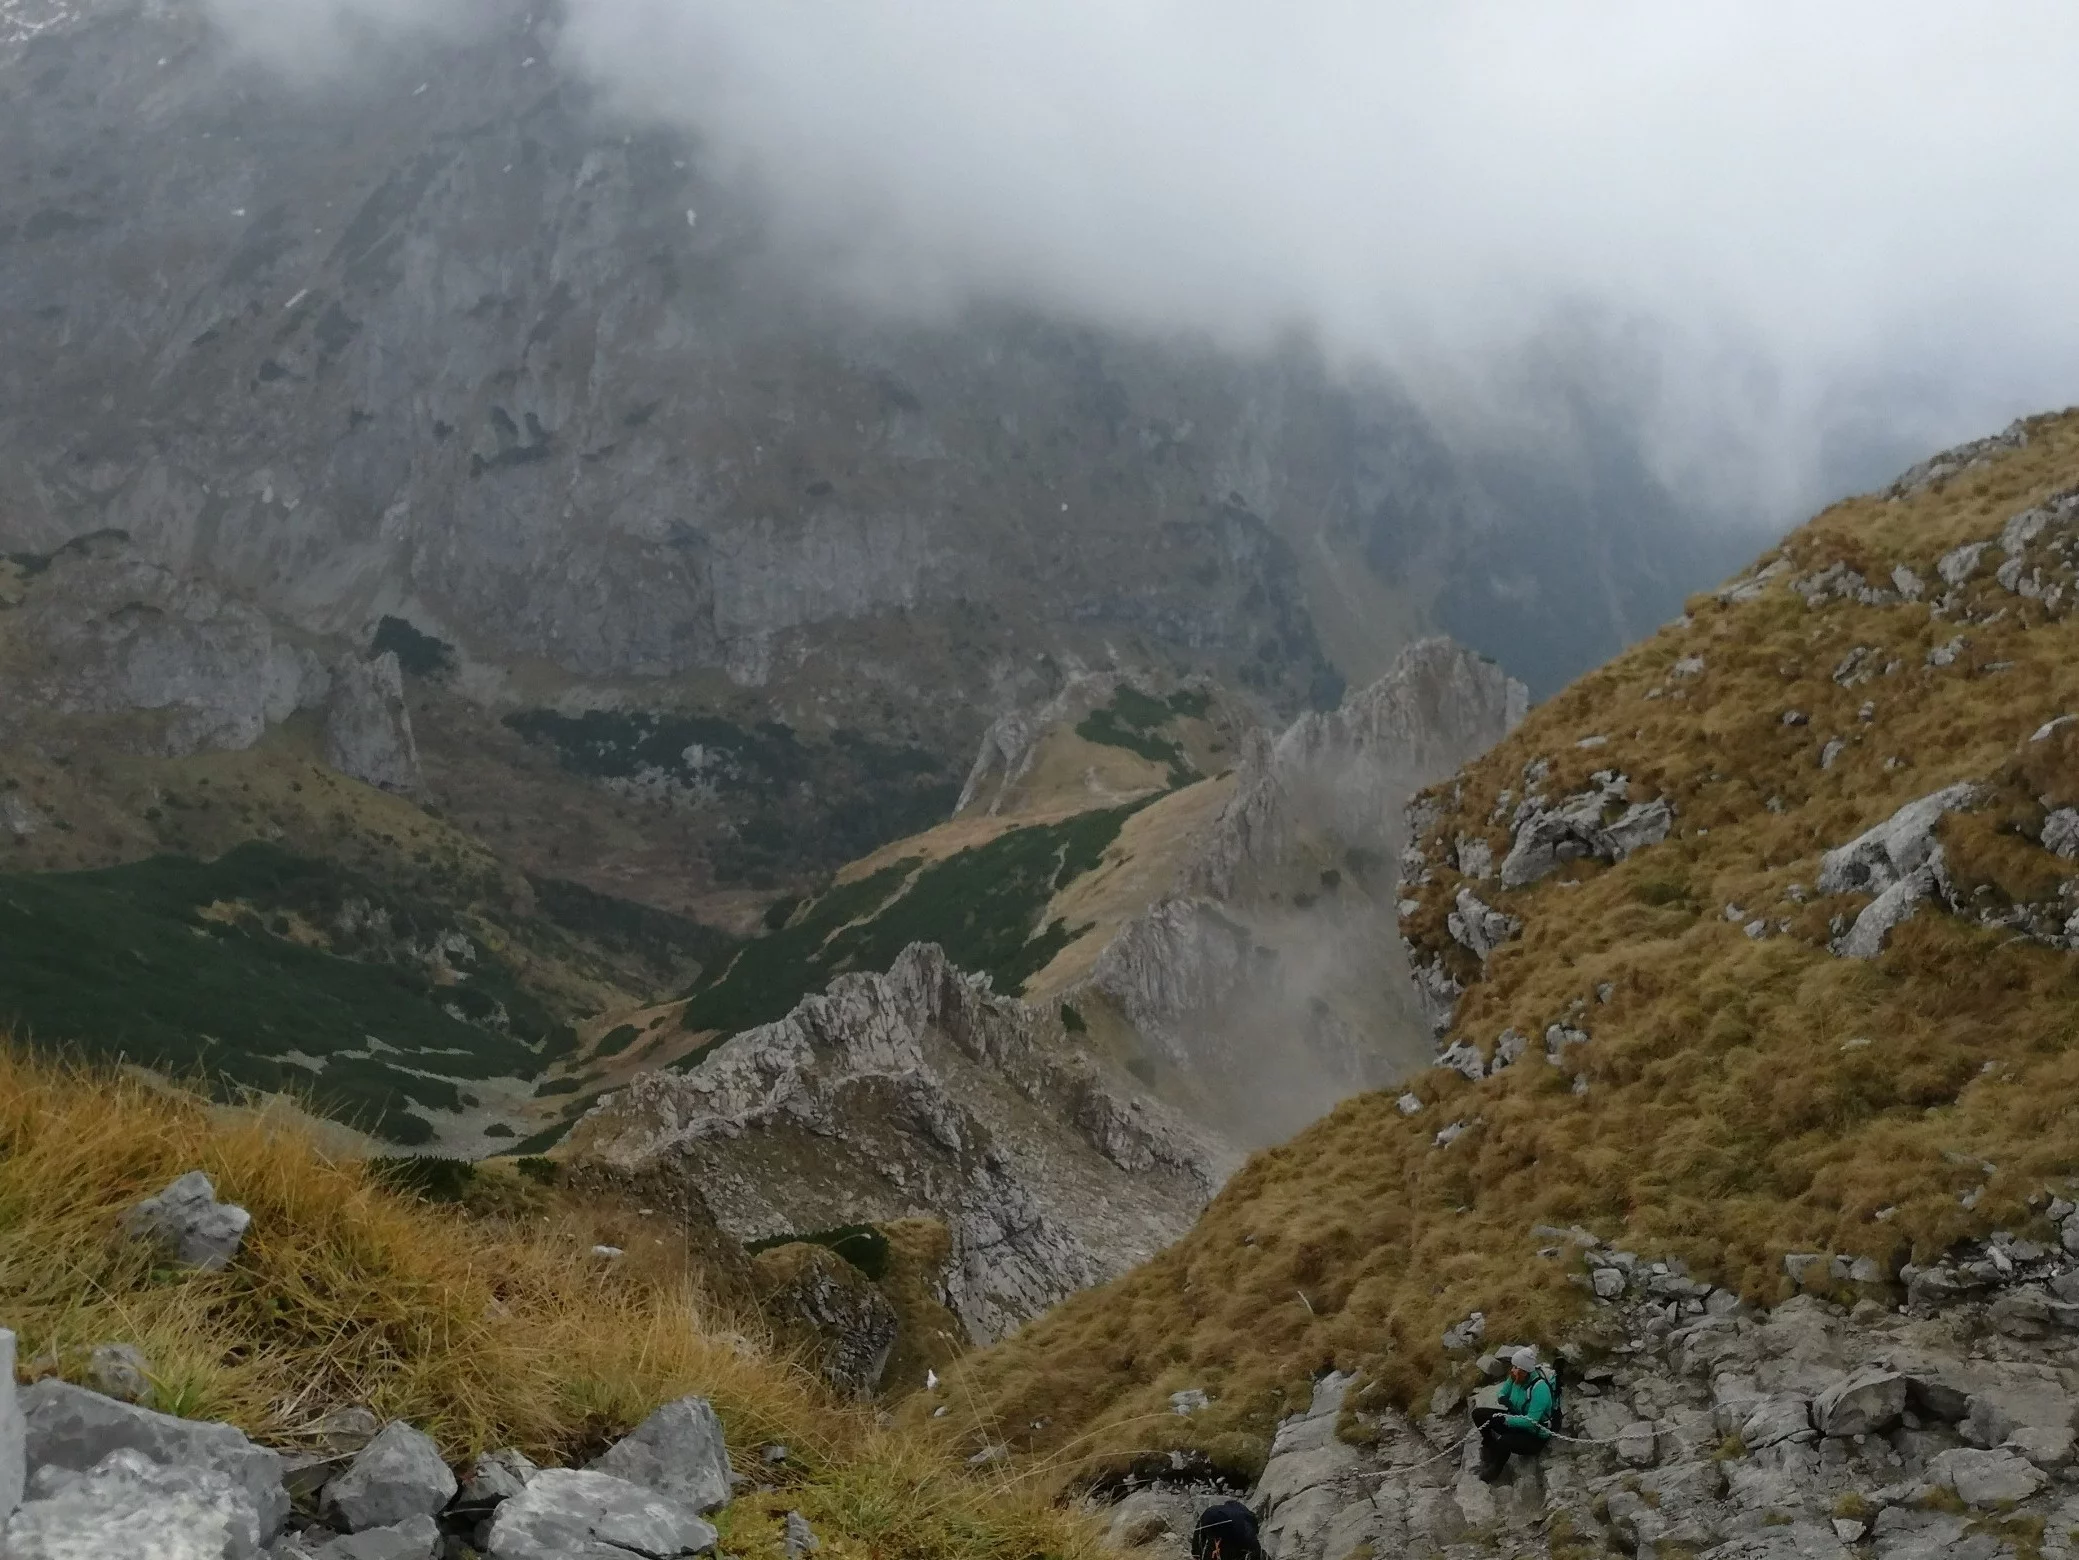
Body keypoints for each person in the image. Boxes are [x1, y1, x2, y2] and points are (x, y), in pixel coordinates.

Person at [1473, 1346, 1555, 1482]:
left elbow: (1531, 1422)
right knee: (1479, 1414)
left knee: (1505, 1441)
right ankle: (1489, 1444)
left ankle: (1495, 1470)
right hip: (1515, 1419)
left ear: (1524, 1370)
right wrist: (1503, 1398)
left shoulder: (1540, 1389)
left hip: (1534, 1435)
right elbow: (1502, 1392)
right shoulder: (1516, 1377)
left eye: (1516, 1367)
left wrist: (1507, 1420)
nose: (1512, 1370)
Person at [1191, 1499, 1264, 1560]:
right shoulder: (1247, 1523)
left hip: (1210, 1518)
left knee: (1213, 1547)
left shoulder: (1211, 1511)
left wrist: (1196, 1553)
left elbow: (1199, 1533)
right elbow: (1256, 1549)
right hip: (1232, 1530)